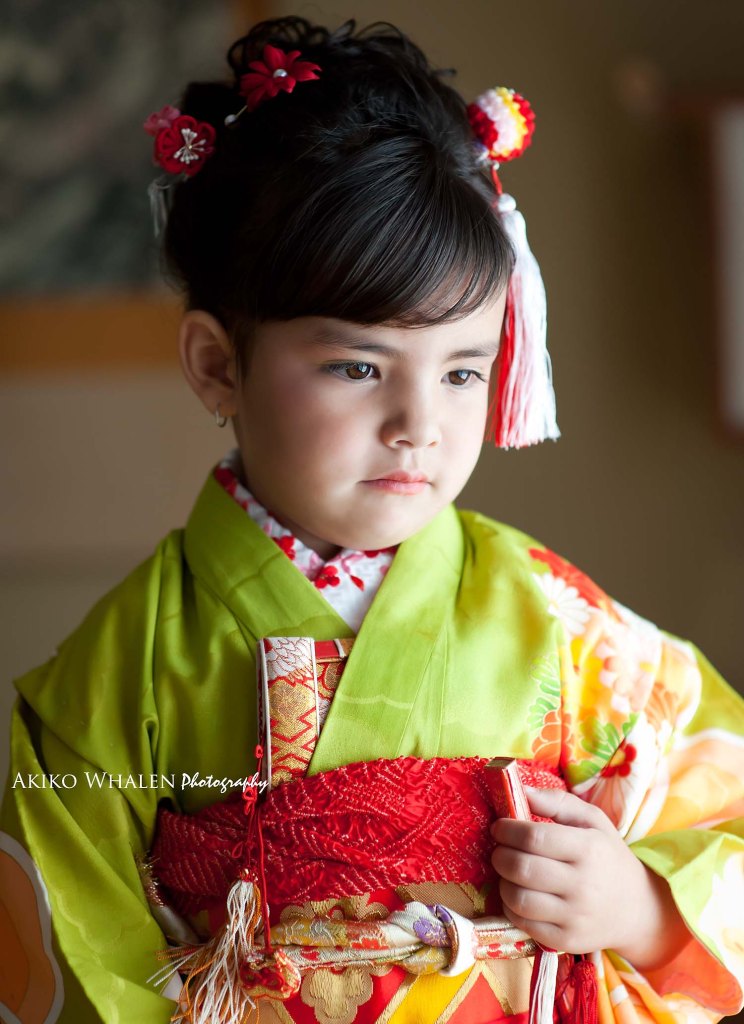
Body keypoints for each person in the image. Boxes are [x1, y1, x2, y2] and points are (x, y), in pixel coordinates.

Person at [1, 15, 742, 1024]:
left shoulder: (560, 624)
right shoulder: (126, 662)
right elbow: (58, 941)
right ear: (219, 363)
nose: (418, 425)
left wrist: (642, 910)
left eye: (463, 370)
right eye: (357, 366)